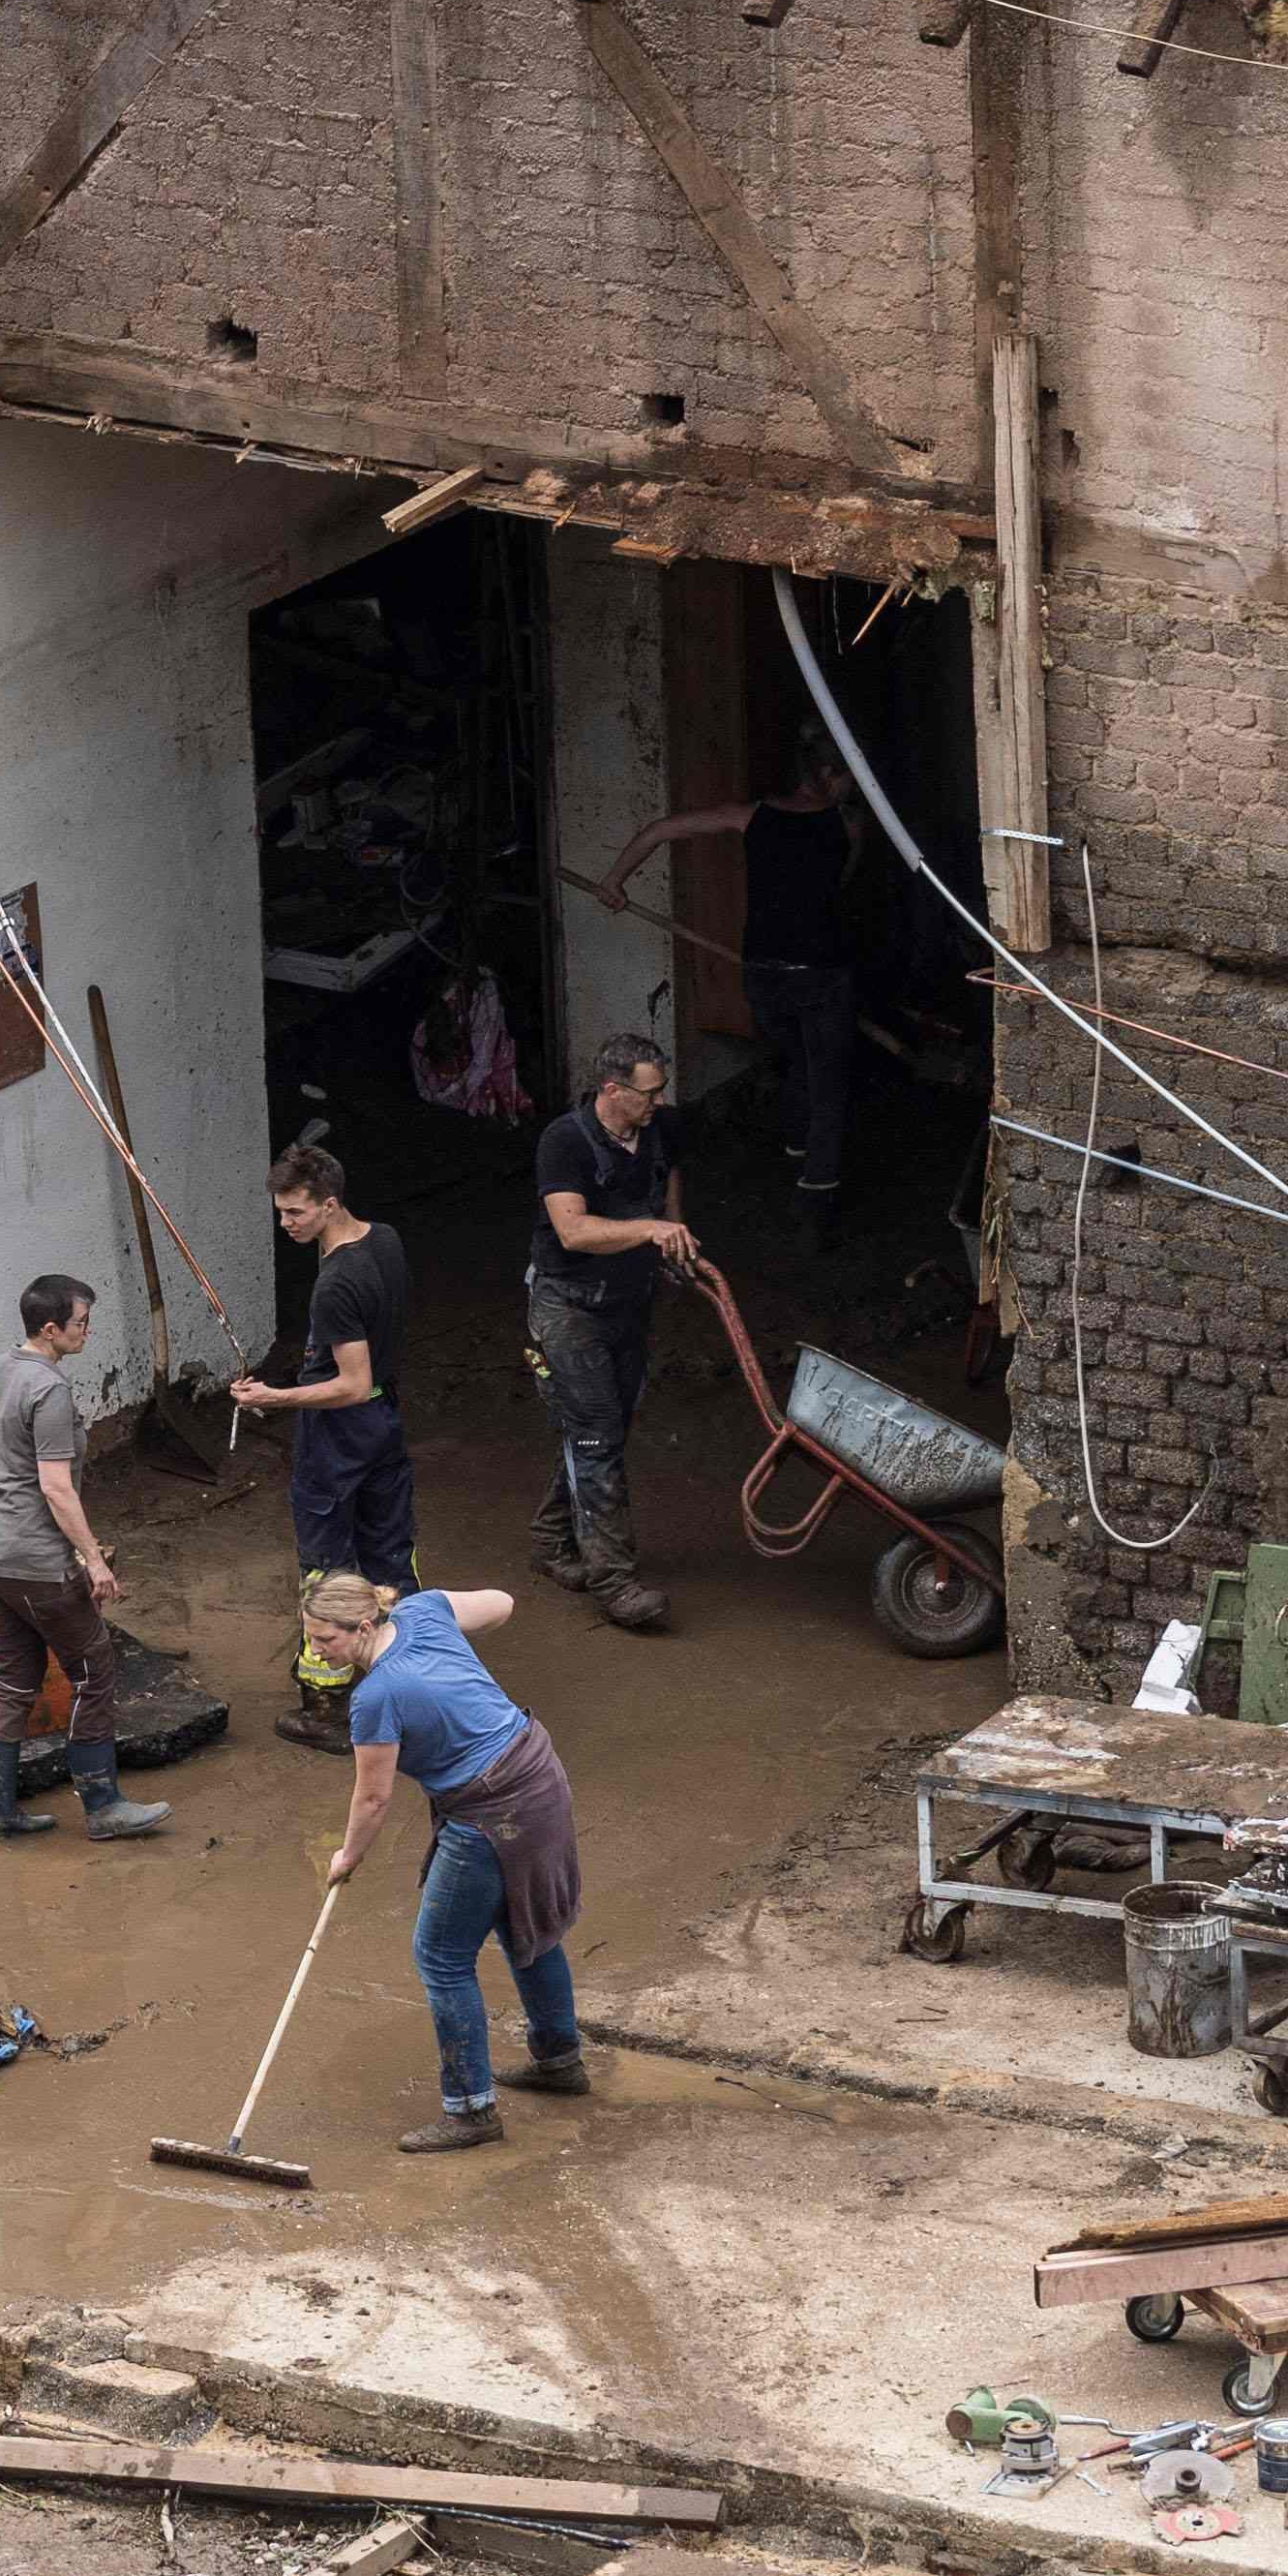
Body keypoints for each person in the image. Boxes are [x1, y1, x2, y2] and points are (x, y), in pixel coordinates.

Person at [308, 1573, 586, 2154]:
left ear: (362, 1627)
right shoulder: (425, 1613)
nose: (316, 1651)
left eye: (324, 1640)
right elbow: (501, 1603)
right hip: (538, 1774)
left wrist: (347, 1857)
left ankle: (470, 2111)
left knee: (440, 1955)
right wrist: (438, 1626)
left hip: (492, 1809)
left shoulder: (376, 1697)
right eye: (309, 1639)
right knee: (525, 1927)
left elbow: (374, 1797)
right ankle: (559, 2062)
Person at [610, 744, 864, 1248]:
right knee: (828, 1080)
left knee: (795, 1060)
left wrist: (614, 882)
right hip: (822, 973)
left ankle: (796, 1147)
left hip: (763, 972)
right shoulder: (850, 825)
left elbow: (660, 829)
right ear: (829, 776)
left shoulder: (749, 817)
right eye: (848, 775)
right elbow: (843, 884)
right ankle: (816, 1193)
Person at [0, 1273, 172, 1844]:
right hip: (33, 1557)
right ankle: (103, 1806)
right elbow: (55, 1487)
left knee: (15, 1676)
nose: (88, 1331)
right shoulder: (49, 1392)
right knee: (93, 1671)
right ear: (50, 1330)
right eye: (81, 1323)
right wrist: (93, 1558)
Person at [229, 1145, 413, 1751]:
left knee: (326, 1567)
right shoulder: (382, 1239)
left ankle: (328, 1709)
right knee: (390, 1552)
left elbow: (350, 1384)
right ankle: (411, 1683)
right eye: (280, 1212)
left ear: (329, 1204)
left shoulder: (335, 1283)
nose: (286, 1224)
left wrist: (277, 1398)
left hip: (341, 1432)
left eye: (295, 1213)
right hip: (385, 1420)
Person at [526, 1038, 693, 1634]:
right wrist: (649, 1229)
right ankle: (615, 1583)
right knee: (597, 1437)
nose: (658, 1101)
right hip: (568, 1309)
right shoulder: (564, 1142)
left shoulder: (660, 1128)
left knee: (603, 1430)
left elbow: (668, 1181)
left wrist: (672, 1235)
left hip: (629, 1305)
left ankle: (551, 1538)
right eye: (648, 1092)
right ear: (612, 1089)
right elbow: (572, 1231)